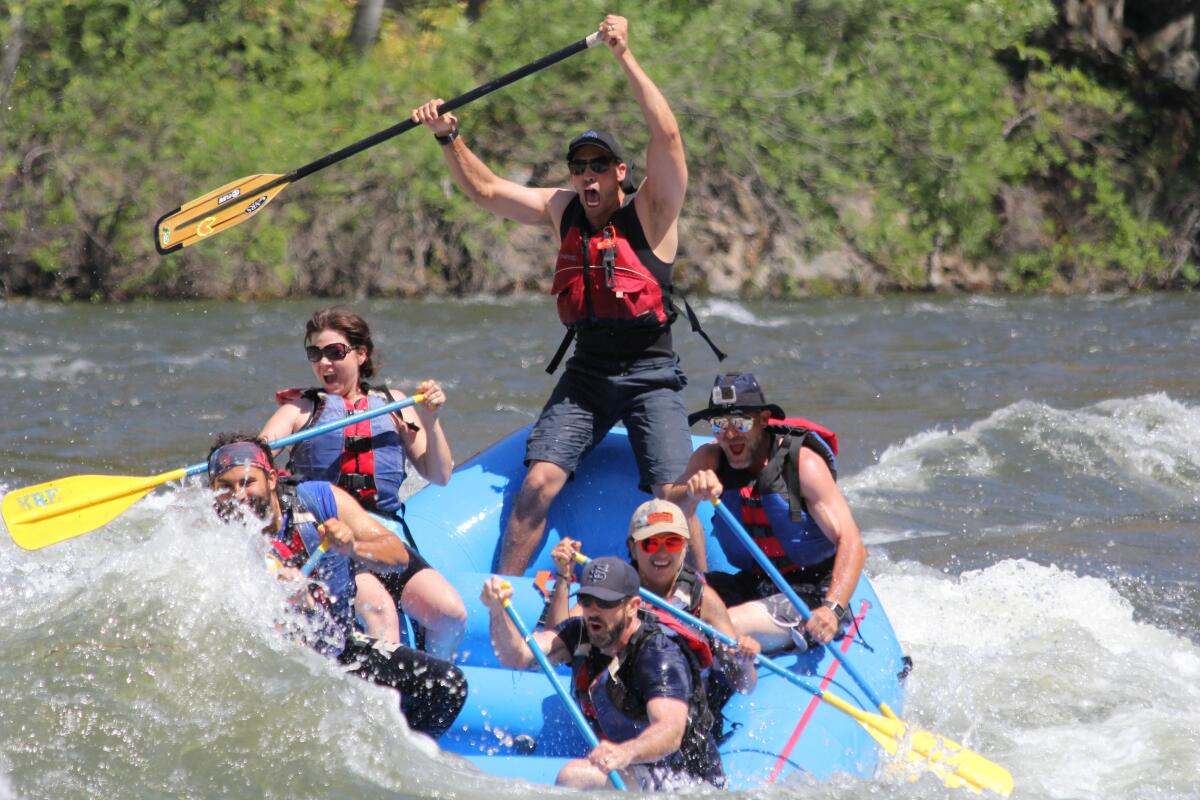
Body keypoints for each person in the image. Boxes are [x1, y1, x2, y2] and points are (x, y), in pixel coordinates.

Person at [412, 14, 724, 576]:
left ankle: (698, 598)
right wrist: (447, 136)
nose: (587, 176)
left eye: (599, 166)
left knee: (673, 494)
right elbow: (486, 191)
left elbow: (668, 137)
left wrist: (623, 56)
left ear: (621, 172)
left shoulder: (652, 212)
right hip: (588, 374)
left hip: (651, 373)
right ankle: (503, 593)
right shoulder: (564, 210)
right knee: (538, 481)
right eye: (579, 167)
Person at [205, 433, 467, 738]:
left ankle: (410, 754)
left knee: (448, 686)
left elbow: (396, 555)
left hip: (340, 649)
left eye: (247, 482)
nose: (238, 496)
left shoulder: (318, 499)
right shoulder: (214, 538)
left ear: (272, 480)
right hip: (282, 666)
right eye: (225, 487)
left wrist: (353, 547)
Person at [260, 308, 466, 658]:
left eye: (335, 353)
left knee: (451, 614)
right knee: (381, 614)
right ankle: (383, 702)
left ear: (360, 354)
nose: (324, 363)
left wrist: (431, 421)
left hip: (385, 538)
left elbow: (439, 474)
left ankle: (431, 688)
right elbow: (258, 455)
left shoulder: (393, 404)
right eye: (315, 354)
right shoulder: (300, 409)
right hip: (330, 537)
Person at [480, 557, 724, 791]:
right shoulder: (579, 632)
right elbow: (518, 657)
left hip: (690, 778)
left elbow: (670, 732)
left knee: (575, 777)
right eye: (587, 600)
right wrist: (496, 611)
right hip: (637, 767)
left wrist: (624, 752)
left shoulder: (658, 654)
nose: (593, 611)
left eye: (606, 603)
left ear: (632, 607)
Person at [669, 373, 867, 653]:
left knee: (727, 624)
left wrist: (832, 608)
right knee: (666, 605)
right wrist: (691, 492)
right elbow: (670, 509)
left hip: (808, 592)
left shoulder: (802, 465)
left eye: (740, 422)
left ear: (763, 420)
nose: (729, 434)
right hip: (753, 583)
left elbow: (853, 543)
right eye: (719, 424)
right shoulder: (709, 459)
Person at [545, 500, 759, 734]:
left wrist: (743, 661)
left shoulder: (703, 600)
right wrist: (563, 577)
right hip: (617, 710)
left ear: (685, 545)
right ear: (633, 547)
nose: (662, 552)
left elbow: (745, 685)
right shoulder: (610, 591)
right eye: (650, 543)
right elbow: (557, 643)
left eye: (672, 542)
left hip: (678, 716)